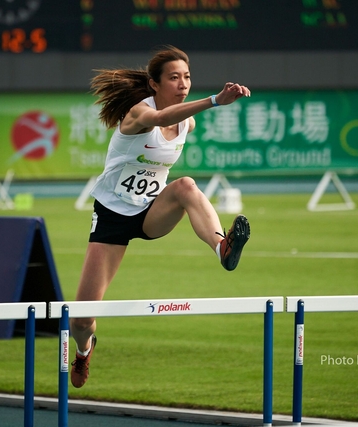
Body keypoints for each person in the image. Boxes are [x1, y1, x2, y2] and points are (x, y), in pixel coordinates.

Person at [70, 45, 251, 388]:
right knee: (80, 319)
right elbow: (161, 119)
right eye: (174, 78)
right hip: (112, 217)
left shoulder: (188, 123)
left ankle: (222, 247)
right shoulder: (140, 113)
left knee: (185, 186)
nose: (183, 84)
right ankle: (83, 351)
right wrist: (215, 100)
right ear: (154, 84)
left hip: (151, 212)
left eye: (187, 77)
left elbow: (177, 123)